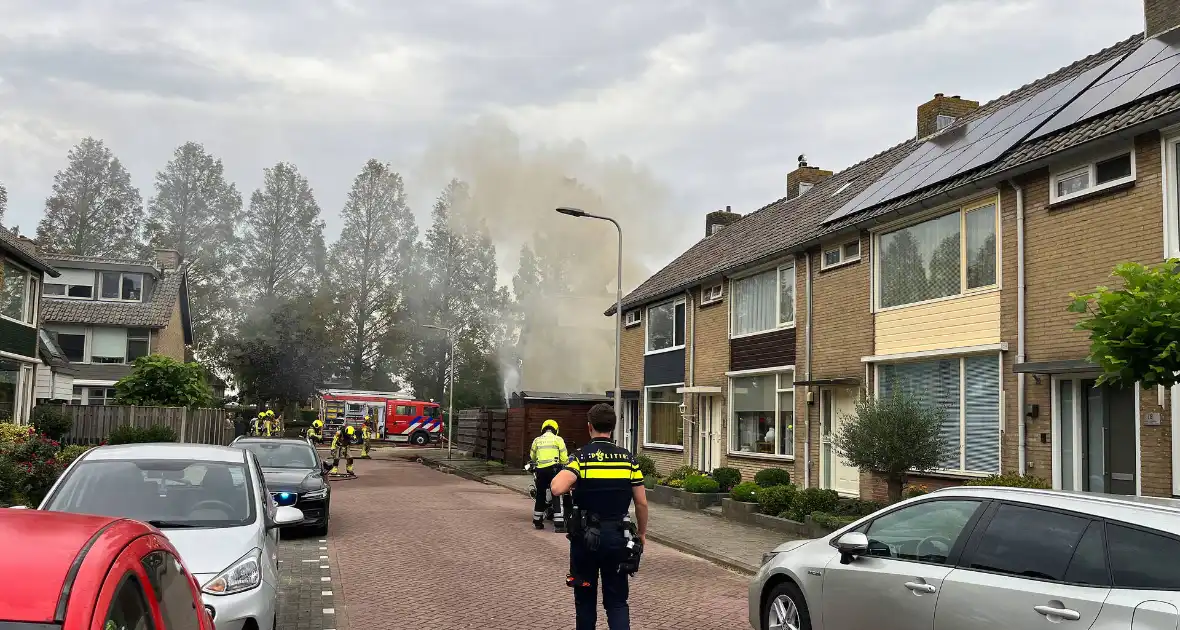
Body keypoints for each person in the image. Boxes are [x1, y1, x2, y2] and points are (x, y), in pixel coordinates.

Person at [551, 403, 648, 630]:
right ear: (612, 428)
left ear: (589, 427)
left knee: (585, 601)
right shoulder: (628, 460)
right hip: (617, 537)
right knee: (617, 602)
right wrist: (642, 533)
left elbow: (556, 488)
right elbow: (641, 502)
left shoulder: (581, 458)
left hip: (586, 540)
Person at [528, 419, 569, 532]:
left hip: (540, 471)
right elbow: (565, 459)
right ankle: (559, 525)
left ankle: (537, 522)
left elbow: (532, 456)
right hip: (554, 470)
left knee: (540, 495)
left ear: (543, 429)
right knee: (556, 493)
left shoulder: (537, 440)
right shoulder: (558, 439)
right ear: (555, 429)